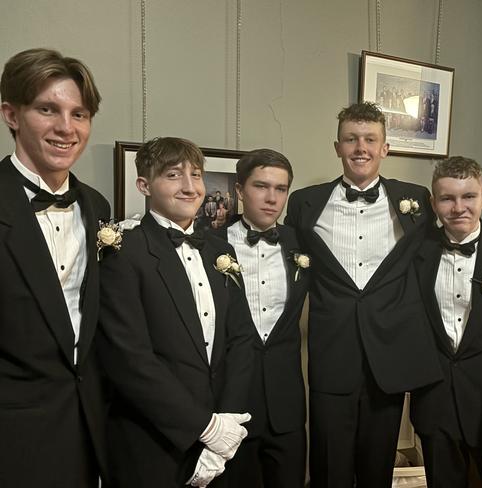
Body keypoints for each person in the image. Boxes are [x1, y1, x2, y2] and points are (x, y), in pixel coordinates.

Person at [285, 101, 442, 488]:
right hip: (331, 350)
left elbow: (453, 236)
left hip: (388, 356)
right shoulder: (304, 202)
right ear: (336, 146)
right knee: (328, 465)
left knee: (377, 466)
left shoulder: (417, 199)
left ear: (385, 148)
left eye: (370, 139)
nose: (361, 147)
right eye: (351, 139)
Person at [97, 136, 255, 488]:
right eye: (173, 175)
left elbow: (242, 338)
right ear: (144, 185)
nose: (189, 187)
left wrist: (225, 428)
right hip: (152, 442)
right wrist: (205, 428)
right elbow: (130, 359)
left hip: (224, 444)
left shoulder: (220, 248)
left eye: (196, 175)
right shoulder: (124, 252)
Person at [0, 47, 109, 487]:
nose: (67, 128)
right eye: (48, 110)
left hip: (89, 427)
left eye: (79, 114)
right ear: (11, 114)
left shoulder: (96, 206)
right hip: (13, 435)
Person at [410, 157, 482, 488]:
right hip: (435, 400)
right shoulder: (415, 254)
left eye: (468, 197)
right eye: (447, 198)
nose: (458, 207)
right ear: (434, 203)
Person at [217, 148, 308, 488]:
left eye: (281, 189)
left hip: (287, 406)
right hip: (231, 403)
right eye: (261, 186)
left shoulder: (301, 244)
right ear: (240, 190)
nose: (272, 198)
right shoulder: (210, 245)